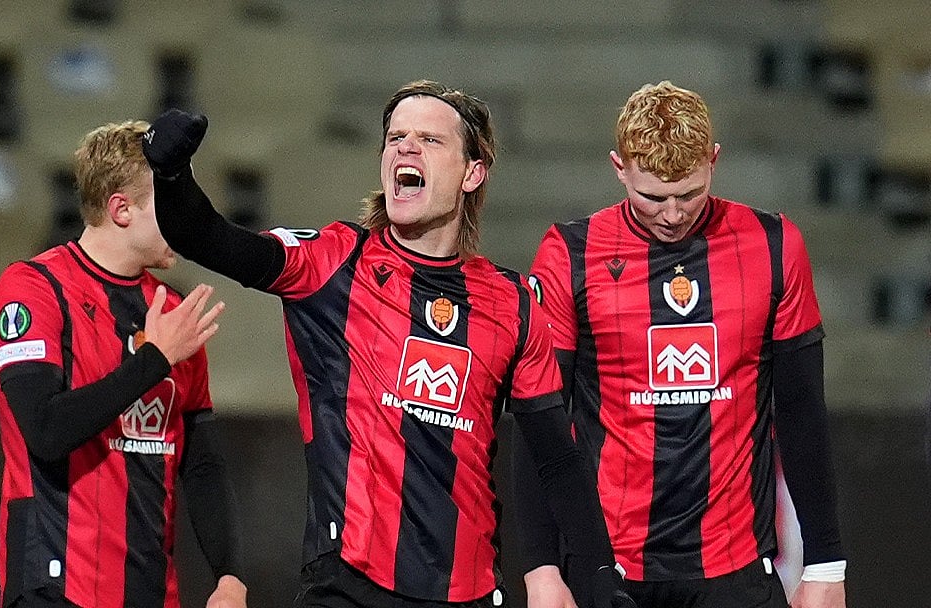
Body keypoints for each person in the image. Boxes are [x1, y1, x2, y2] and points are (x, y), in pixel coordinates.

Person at [141, 81, 634, 608]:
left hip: (467, 593)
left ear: (472, 173)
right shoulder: (332, 264)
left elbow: (556, 461)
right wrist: (171, 176)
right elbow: (207, 237)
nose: (405, 147)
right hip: (347, 586)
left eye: (429, 139)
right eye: (396, 136)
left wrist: (603, 583)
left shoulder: (513, 303)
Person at [516, 80, 847, 608]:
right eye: (652, 197)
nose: (672, 213)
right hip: (610, 569)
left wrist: (826, 564)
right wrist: (540, 568)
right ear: (618, 168)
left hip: (736, 569)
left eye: (689, 194)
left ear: (714, 161)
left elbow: (802, 410)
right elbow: (543, 421)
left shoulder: (774, 245)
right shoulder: (568, 255)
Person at [0, 120, 247, 608]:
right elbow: (45, 431)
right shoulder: (32, 288)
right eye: (170, 203)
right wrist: (155, 358)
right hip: (54, 588)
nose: (186, 218)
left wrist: (229, 575)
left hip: (152, 592)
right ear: (121, 209)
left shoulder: (173, 311)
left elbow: (203, 461)